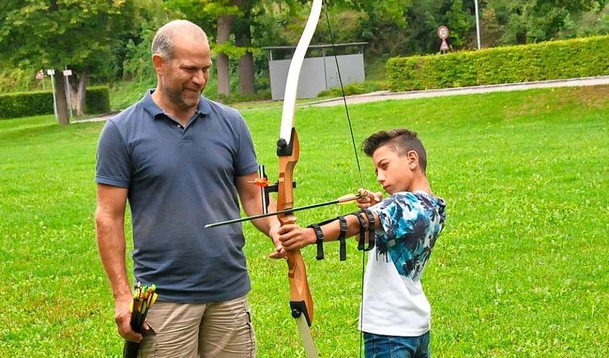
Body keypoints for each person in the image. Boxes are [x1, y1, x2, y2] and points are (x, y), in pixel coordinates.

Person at [95, 19, 281, 357]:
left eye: (206, 69)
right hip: (165, 299)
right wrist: (122, 296)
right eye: (189, 69)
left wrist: (276, 227)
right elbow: (108, 217)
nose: (200, 79)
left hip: (229, 290)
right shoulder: (121, 131)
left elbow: (254, 196)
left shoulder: (231, 123)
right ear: (159, 64)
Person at [279, 128, 446, 358]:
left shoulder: (402, 204)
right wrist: (378, 205)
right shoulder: (435, 206)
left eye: (384, 165)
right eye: (376, 170)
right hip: (415, 326)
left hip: (388, 331)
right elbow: (369, 235)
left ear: (412, 159)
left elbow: (359, 223)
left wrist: (308, 235)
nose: (379, 177)